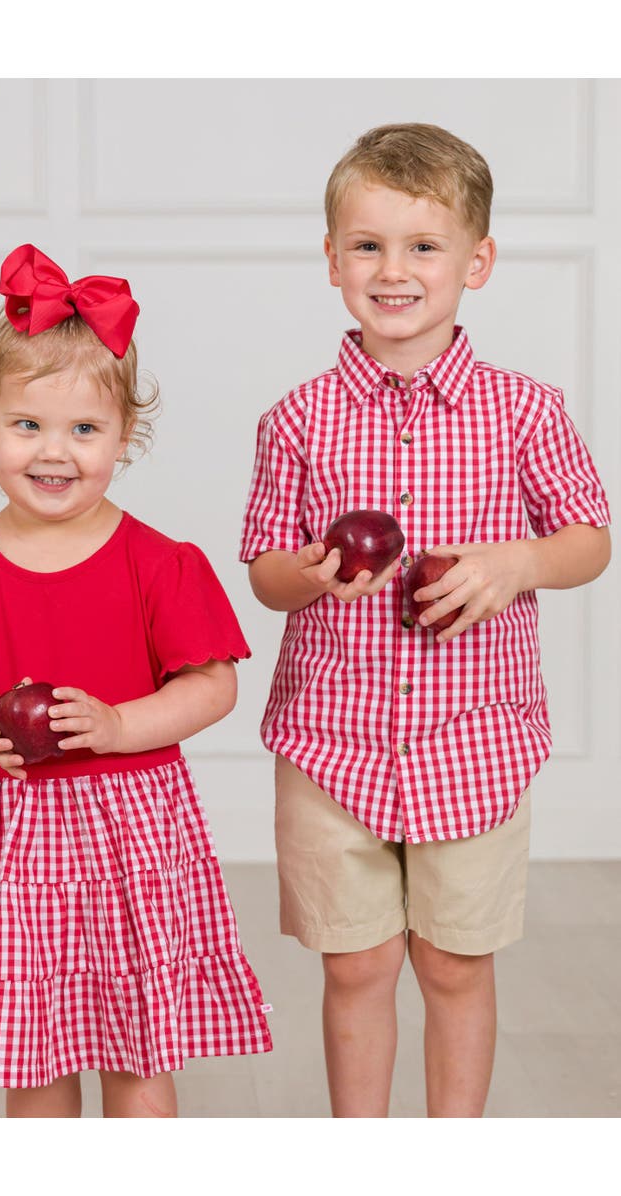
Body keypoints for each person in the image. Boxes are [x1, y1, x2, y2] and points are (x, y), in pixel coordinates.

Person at [240, 124, 611, 1118]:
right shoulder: (298, 419)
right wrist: (315, 572)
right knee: (355, 962)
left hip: (472, 738)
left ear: (476, 261)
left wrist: (519, 560)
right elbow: (267, 575)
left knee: (453, 962)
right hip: (332, 743)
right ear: (331, 260)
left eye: (423, 245)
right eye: (367, 245)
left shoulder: (526, 411)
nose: (392, 269)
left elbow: (589, 538)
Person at [0, 244, 272, 1118]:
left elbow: (212, 684)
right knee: (36, 1056)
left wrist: (124, 725)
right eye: (28, 426)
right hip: (11, 839)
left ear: (125, 438)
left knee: (136, 1056)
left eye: (85, 431)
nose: (54, 452)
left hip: (129, 831)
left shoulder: (160, 565)